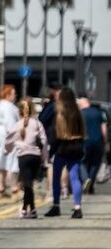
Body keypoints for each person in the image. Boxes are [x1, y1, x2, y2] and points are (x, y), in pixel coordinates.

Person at [48, 87, 85, 218]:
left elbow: (55, 136)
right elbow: (82, 134)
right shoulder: (77, 113)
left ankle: (56, 206)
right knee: (74, 177)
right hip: (75, 147)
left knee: (56, 178)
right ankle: (77, 208)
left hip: (62, 147)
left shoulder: (59, 114)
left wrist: (50, 152)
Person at [6, 99, 47, 219]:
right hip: (35, 157)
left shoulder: (17, 125)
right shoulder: (37, 124)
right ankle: (30, 208)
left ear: (19, 111)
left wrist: (6, 151)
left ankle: (27, 209)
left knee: (27, 184)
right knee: (29, 183)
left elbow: (9, 140)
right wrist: (45, 157)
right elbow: (44, 141)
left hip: (23, 157)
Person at [78, 96, 106, 194]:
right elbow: (104, 129)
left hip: (84, 142)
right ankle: (90, 185)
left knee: (81, 161)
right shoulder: (98, 112)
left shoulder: (80, 113)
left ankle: (85, 179)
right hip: (98, 142)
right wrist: (105, 142)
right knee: (95, 164)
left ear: (82, 104)